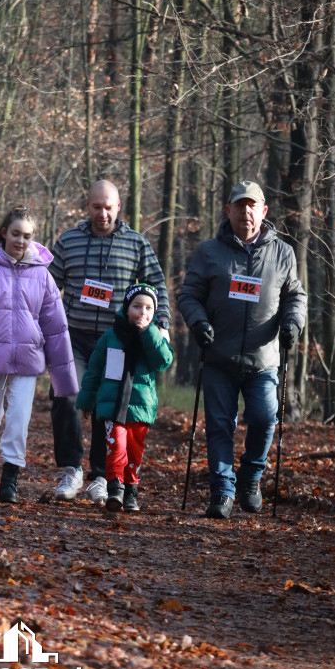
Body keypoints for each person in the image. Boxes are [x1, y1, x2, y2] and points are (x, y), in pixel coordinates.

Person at [177, 181, 307, 519]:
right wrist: (199, 322)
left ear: (263, 212)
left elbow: (296, 296)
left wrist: (292, 322)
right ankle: (222, 491)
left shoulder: (283, 253)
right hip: (219, 357)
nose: (246, 211)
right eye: (240, 205)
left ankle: (250, 477)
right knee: (220, 426)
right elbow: (188, 294)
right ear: (228, 210)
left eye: (253, 206)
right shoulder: (209, 252)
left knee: (265, 418)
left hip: (263, 359)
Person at [48, 179, 171, 504]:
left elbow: (156, 284)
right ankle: (71, 469)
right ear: (87, 207)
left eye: (108, 207)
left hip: (117, 344)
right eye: (96, 207)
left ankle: (101, 476)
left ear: (118, 208)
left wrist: (162, 324)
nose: (102, 213)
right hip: (74, 337)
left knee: (109, 403)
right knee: (66, 395)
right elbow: (47, 287)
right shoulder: (69, 241)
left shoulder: (136, 244)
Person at [0, 206, 78, 504]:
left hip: (27, 360)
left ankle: (10, 478)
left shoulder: (43, 278)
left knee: (18, 420)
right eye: (16, 234)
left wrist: (64, 379)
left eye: (28, 236)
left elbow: (56, 329)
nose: (21, 241)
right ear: (4, 233)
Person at [76, 283, 173, 512]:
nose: (143, 312)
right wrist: (87, 402)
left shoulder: (154, 336)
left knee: (134, 451)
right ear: (127, 308)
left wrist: (148, 332)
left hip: (141, 406)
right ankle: (115, 489)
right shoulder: (111, 336)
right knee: (116, 446)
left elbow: (163, 361)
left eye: (149, 308)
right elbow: (94, 371)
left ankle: (131, 492)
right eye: (137, 306)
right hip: (113, 405)